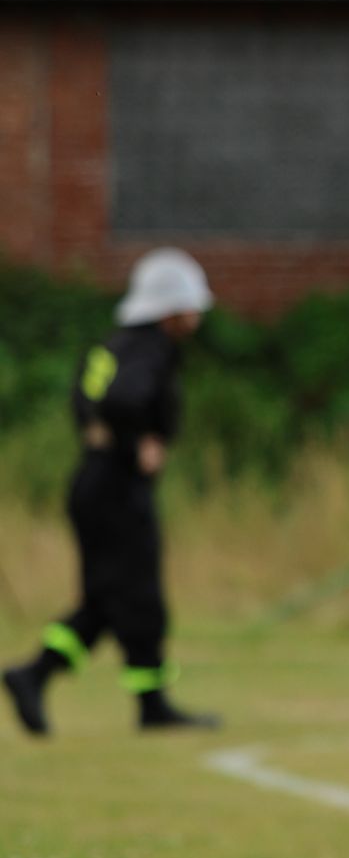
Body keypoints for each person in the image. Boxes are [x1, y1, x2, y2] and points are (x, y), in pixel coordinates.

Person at [3, 250, 222, 740]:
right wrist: (137, 443)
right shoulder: (151, 348)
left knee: (106, 600)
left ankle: (35, 676)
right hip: (117, 490)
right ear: (171, 310)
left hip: (93, 484)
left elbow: (85, 402)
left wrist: (104, 435)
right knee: (139, 598)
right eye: (191, 307)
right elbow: (124, 400)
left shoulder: (111, 345)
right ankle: (151, 707)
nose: (197, 317)